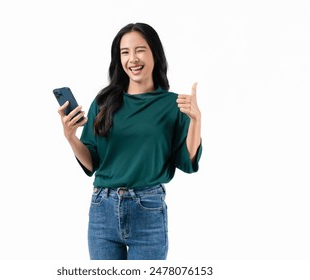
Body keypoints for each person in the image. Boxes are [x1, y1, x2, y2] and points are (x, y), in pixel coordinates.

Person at [57, 22, 202, 260]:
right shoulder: (104, 101)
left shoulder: (173, 105)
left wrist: (196, 121)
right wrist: (70, 137)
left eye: (140, 50)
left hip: (148, 209)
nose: (132, 59)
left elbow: (188, 160)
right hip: (102, 210)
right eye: (125, 52)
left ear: (155, 52)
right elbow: (92, 162)